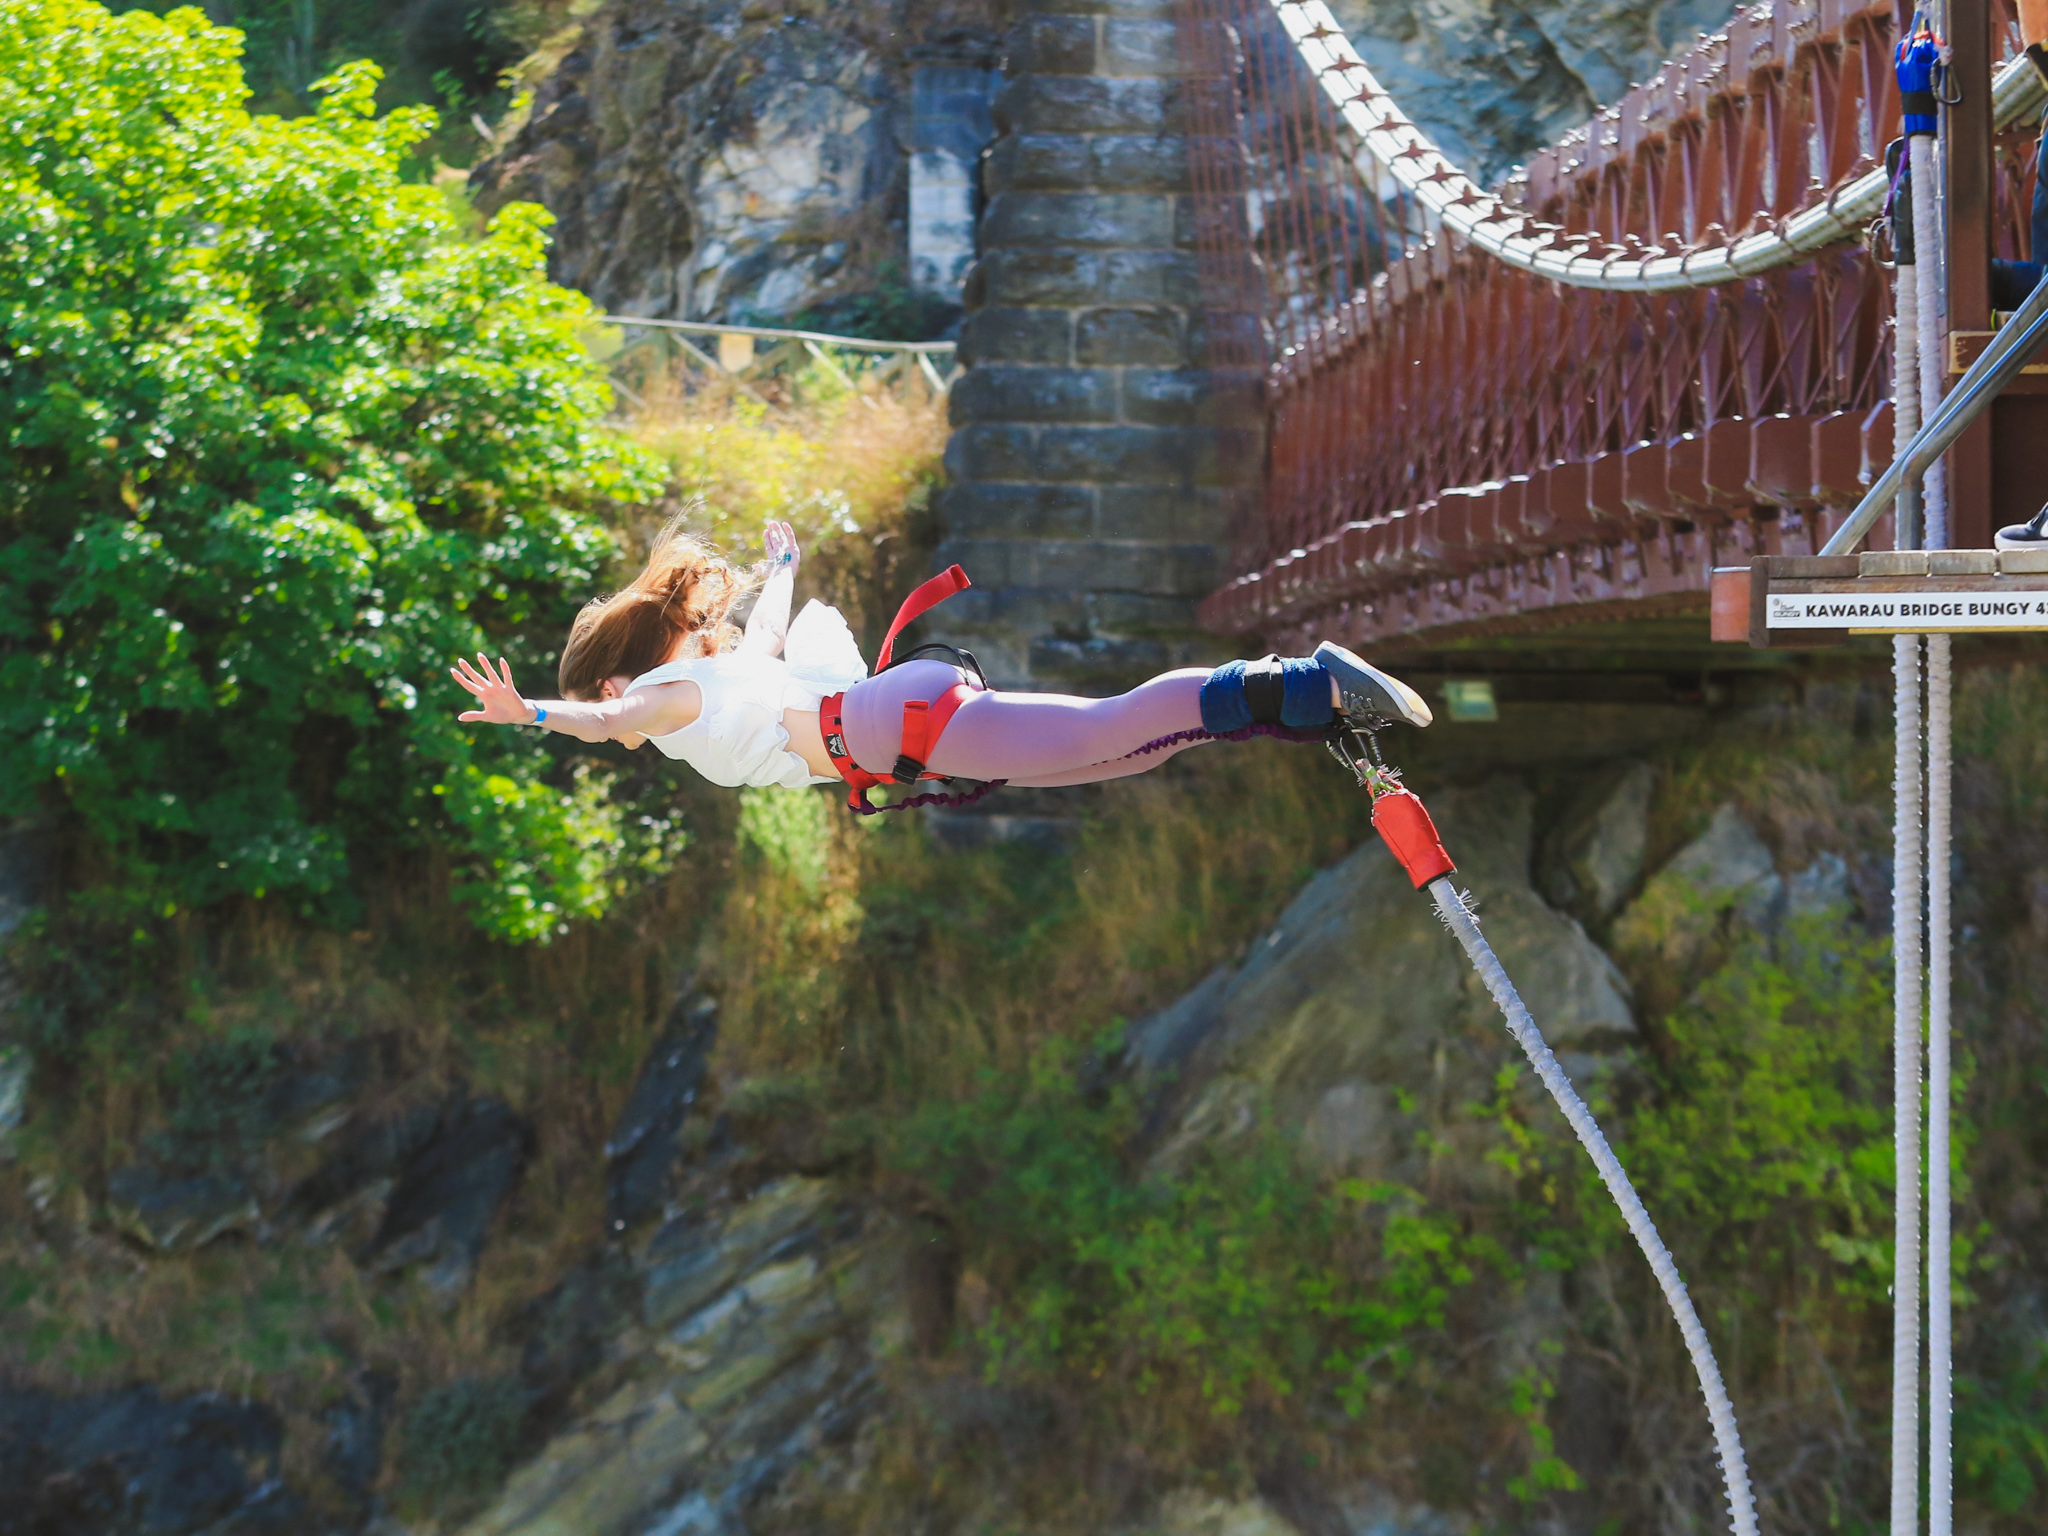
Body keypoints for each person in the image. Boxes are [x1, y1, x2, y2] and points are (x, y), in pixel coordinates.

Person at [449, 519, 1430, 807]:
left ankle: (1302, 684)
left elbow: (607, 722)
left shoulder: (658, 702)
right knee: (1118, 753)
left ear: (620, 677)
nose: (613, 716)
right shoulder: (716, 680)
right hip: (893, 720)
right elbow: (776, 640)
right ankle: (1309, 711)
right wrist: (782, 568)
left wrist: (531, 713)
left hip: (885, 726)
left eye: (604, 690)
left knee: (1107, 729)